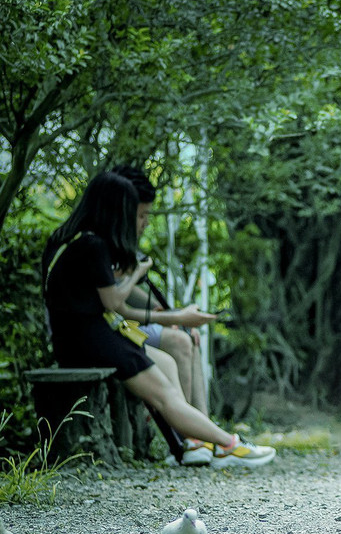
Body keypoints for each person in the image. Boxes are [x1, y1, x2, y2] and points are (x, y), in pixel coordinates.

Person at [41, 171, 275, 469]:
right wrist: (136, 274)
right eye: (133, 213)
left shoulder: (69, 240)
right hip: (89, 340)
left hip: (79, 337)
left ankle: (191, 443)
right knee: (165, 396)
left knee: (166, 365)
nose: (137, 221)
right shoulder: (92, 245)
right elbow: (114, 302)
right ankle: (228, 445)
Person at [112, 166, 209, 417]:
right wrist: (170, 317)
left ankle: (203, 424)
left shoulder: (120, 241)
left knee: (187, 335)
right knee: (179, 341)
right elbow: (116, 302)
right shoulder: (98, 244)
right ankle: (188, 431)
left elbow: (127, 291)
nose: (145, 223)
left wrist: (171, 314)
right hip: (114, 329)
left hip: (124, 324)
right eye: (141, 215)